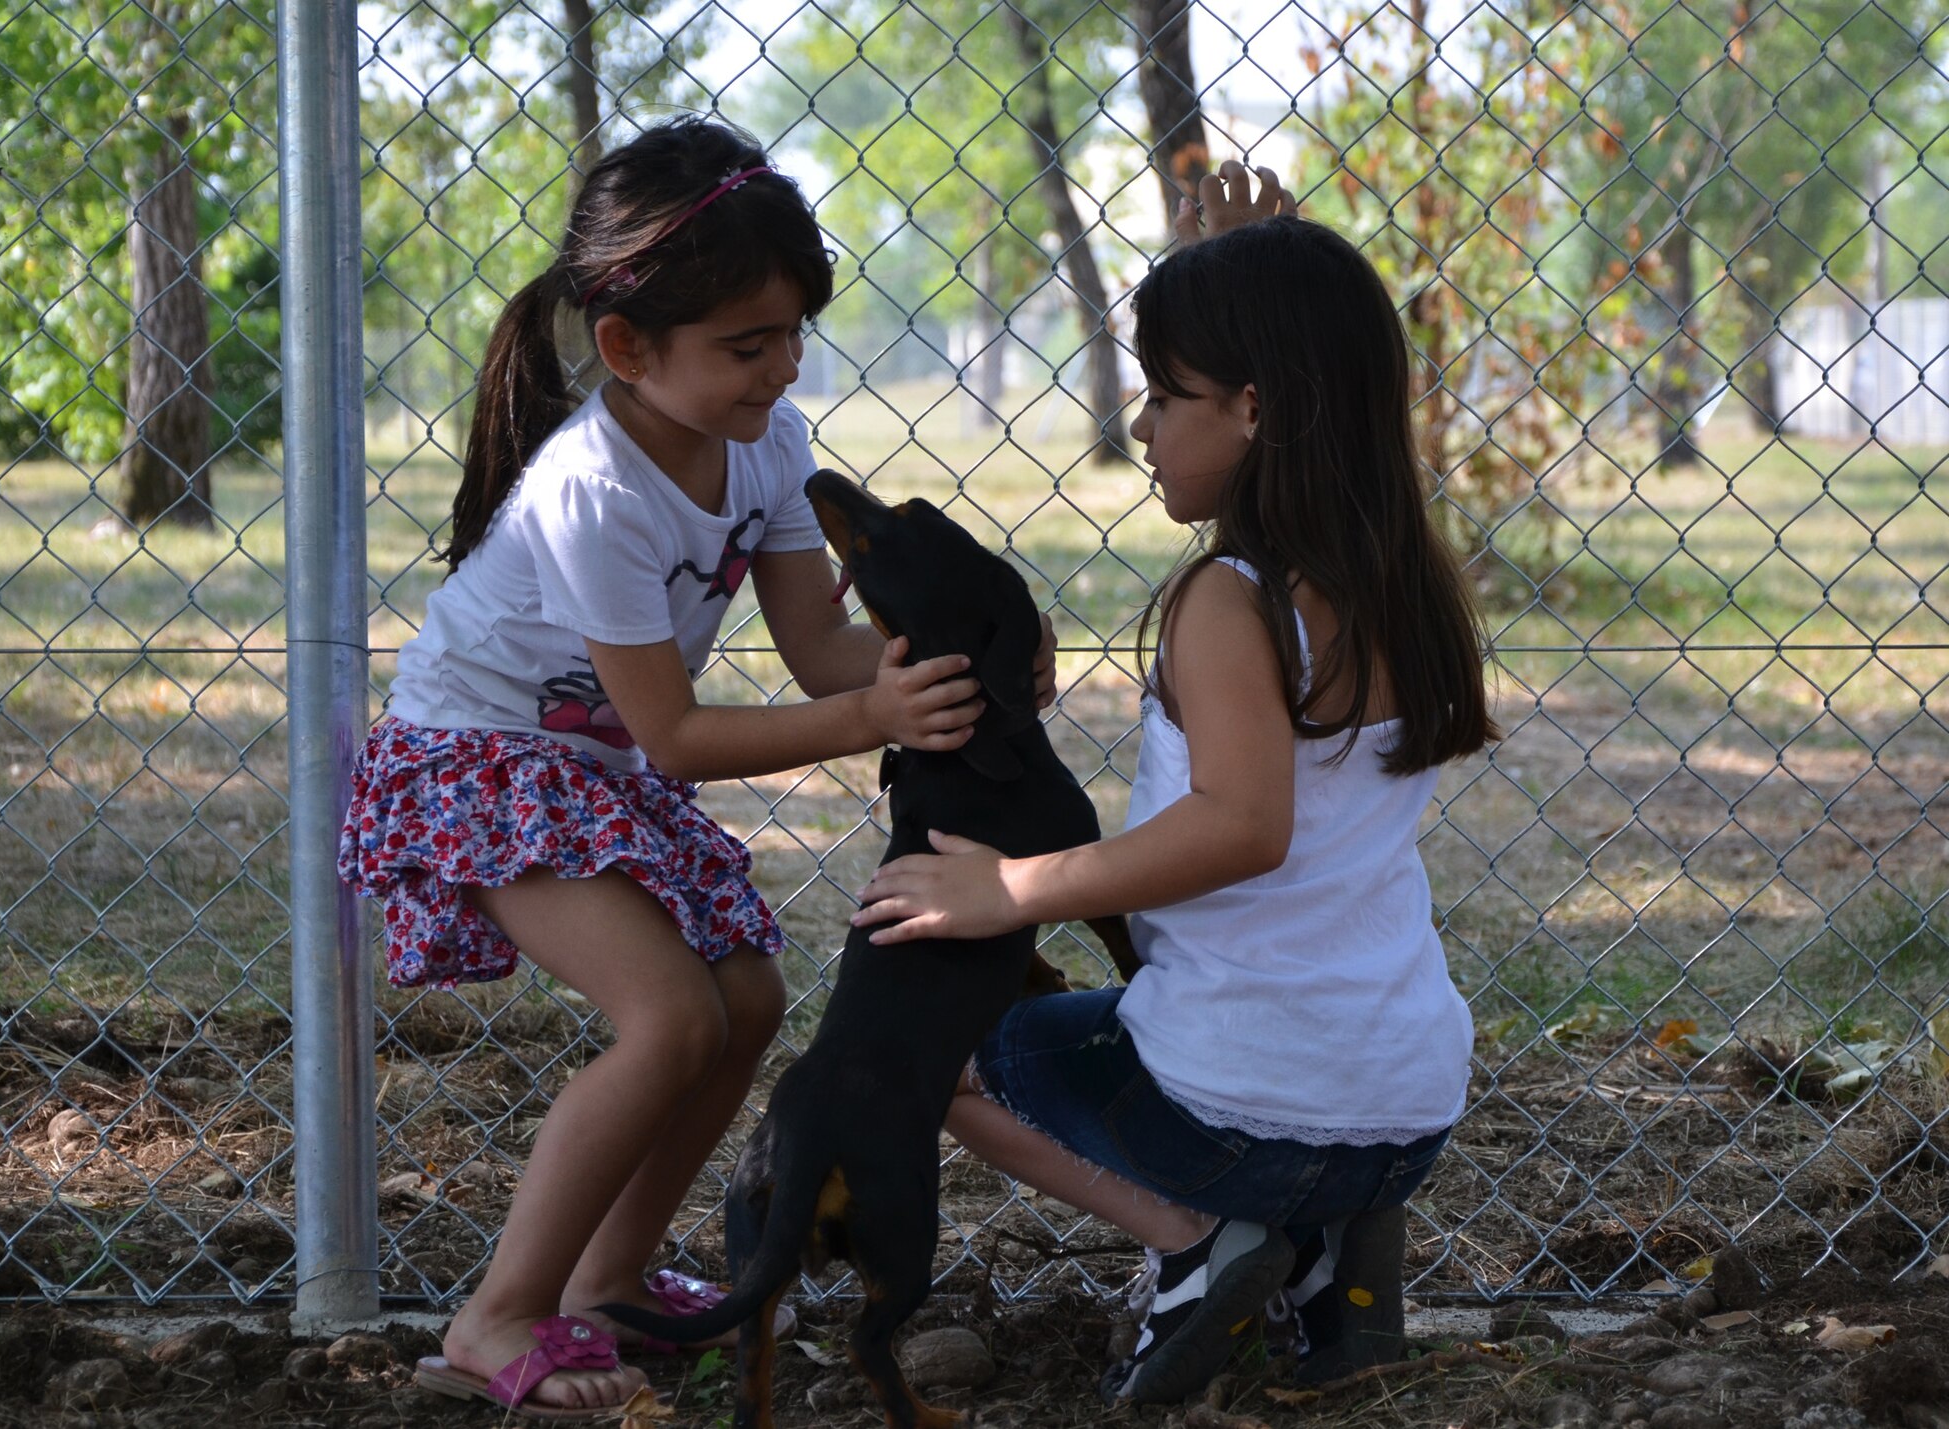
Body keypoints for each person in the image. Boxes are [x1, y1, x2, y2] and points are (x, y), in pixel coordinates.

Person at [338, 116, 1054, 1419]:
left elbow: (821, 646)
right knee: (671, 1015)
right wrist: (870, 722)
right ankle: (498, 1314)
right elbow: (675, 735)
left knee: (747, 995)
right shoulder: (593, 489)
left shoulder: (767, 445)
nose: (782, 369)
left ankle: (609, 1278)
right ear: (626, 346)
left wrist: (939, 669)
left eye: (793, 334)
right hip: (478, 761)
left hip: (589, 768)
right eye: (746, 343)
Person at [852, 160, 1496, 1404]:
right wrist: (1254, 272)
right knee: (1228, 1058)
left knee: (930, 1062)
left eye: (1166, 395)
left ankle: (1201, 1243)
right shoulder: (1405, 580)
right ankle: (1340, 1273)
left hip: (1244, 1113)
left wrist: (1012, 890)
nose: (1140, 426)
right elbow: (1319, 374)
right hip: (1403, 1105)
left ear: (1254, 410)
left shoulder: (1225, 599)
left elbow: (1241, 826)